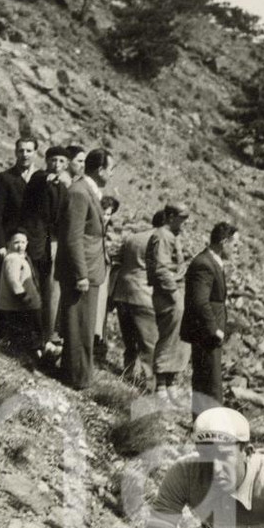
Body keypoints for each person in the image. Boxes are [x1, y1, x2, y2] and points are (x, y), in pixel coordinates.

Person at [56, 148, 112, 390]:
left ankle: (77, 374)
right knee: (79, 325)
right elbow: (72, 237)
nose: (112, 173)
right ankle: (78, 378)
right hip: (83, 270)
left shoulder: (89, 190)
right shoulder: (80, 192)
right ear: (100, 170)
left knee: (84, 325)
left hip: (91, 268)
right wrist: (81, 274)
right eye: (111, 168)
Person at [181, 221, 239, 416]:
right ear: (224, 241)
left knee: (206, 379)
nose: (237, 249)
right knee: (210, 382)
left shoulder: (212, 261)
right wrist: (214, 329)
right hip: (206, 332)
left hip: (208, 330)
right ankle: (211, 428)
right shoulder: (204, 264)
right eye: (235, 244)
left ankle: (203, 424)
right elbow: (200, 302)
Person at [21, 145, 70, 351]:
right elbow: (36, 183)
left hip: (53, 244)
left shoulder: (63, 186)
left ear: (66, 164)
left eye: (60, 161)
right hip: (36, 242)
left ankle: (46, 336)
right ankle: (29, 335)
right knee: (32, 286)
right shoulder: (39, 178)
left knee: (49, 289)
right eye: (53, 160)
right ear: (46, 161)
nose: (56, 165)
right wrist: (46, 179)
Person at [0, 137, 37, 330]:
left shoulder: (41, 178)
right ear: (16, 153)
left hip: (32, 244)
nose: (25, 155)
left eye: (29, 151)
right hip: (9, 244)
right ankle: (4, 334)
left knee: (28, 286)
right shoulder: (4, 178)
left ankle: (25, 336)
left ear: (35, 153)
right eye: (21, 151)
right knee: (5, 288)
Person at [111, 210, 162, 388]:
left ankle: (128, 373)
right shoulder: (161, 241)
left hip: (123, 292)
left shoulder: (133, 237)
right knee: (150, 344)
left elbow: (118, 260)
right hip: (144, 296)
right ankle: (150, 384)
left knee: (129, 340)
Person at [146, 203, 190, 392]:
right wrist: (173, 292)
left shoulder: (173, 235)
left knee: (179, 338)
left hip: (177, 289)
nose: (184, 223)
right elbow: (161, 268)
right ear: (170, 217)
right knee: (169, 336)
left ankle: (170, 381)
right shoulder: (162, 236)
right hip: (168, 293)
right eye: (181, 218)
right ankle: (161, 384)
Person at [0, 231, 43, 359]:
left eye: (23, 242)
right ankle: (25, 354)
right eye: (16, 242)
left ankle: (35, 352)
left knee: (30, 328)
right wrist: (22, 295)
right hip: (16, 304)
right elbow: (13, 280)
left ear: (27, 244)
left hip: (25, 302)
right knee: (22, 329)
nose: (20, 246)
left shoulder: (22, 258)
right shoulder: (12, 259)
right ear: (9, 244)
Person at [93, 194, 120, 365]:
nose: (105, 216)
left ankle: (97, 347)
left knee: (100, 313)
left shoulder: (109, 232)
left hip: (104, 276)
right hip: (94, 275)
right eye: (104, 212)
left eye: (109, 214)